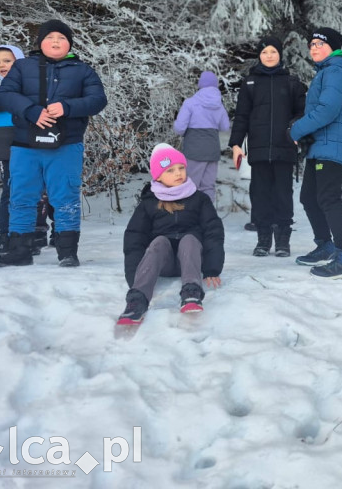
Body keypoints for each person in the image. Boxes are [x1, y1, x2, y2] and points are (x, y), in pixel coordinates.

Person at [0, 20, 107, 267]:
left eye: (62, 38)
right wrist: (31, 111)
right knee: (20, 196)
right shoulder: (22, 67)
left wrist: (67, 107)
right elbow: (4, 94)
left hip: (66, 145)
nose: (55, 41)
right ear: (40, 42)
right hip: (24, 144)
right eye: (50, 37)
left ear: (69, 44)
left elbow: (98, 100)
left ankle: (67, 252)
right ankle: (19, 251)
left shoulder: (83, 70)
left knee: (66, 196)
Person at [118, 144, 224, 324]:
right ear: (158, 176)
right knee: (159, 241)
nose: (178, 173)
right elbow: (134, 238)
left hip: (191, 260)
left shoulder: (199, 199)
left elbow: (213, 231)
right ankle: (137, 300)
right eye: (170, 170)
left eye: (181, 168)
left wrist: (212, 268)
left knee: (189, 239)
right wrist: (135, 275)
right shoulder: (148, 203)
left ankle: (191, 292)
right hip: (163, 263)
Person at [290, 28, 342, 279]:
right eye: (311, 44)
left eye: (320, 43)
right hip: (321, 145)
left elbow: (327, 110)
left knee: (328, 199)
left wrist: (296, 130)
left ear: (333, 47)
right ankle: (325, 246)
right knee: (309, 198)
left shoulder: (336, 71)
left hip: (333, 145)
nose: (314, 48)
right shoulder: (327, 72)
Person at [0, 44, 52, 256]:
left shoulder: (34, 84)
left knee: (37, 190)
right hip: (6, 144)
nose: (2, 66)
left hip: (32, 140)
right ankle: (5, 236)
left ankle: (36, 233)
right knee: (11, 191)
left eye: (7, 60)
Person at [229, 37, 307, 257]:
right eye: (265, 52)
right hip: (259, 149)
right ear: (259, 55)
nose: (269, 55)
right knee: (260, 195)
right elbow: (242, 115)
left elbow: (302, 113)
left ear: (280, 54)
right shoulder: (250, 83)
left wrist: (295, 130)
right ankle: (263, 240)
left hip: (285, 148)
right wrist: (236, 143)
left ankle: (283, 240)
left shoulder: (292, 82)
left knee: (283, 194)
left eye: (273, 51)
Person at [174, 71, 230, 204]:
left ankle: (189, 216)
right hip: (212, 150)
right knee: (208, 186)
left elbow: (179, 127)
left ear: (200, 85)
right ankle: (208, 217)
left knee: (190, 185)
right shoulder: (219, 105)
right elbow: (225, 127)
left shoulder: (190, 103)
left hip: (194, 150)